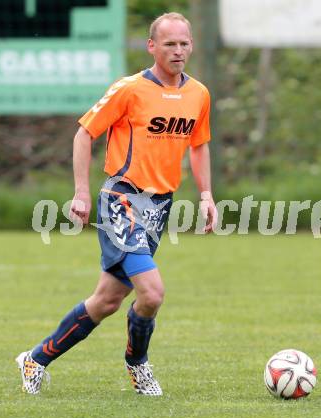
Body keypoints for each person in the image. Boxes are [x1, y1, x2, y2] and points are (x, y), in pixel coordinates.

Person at [16, 12, 217, 396]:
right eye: (170, 43)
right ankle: (137, 363)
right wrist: (81, 191)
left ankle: (35, 358)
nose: (178, 51)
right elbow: (83, 133)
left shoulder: (199, 94)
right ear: (151, 46)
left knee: (106, 300)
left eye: (184, 43)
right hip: (122, 200)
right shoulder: (130, 89)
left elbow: (199, 144)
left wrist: (206, 195)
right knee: (153, 292)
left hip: (159, 207)